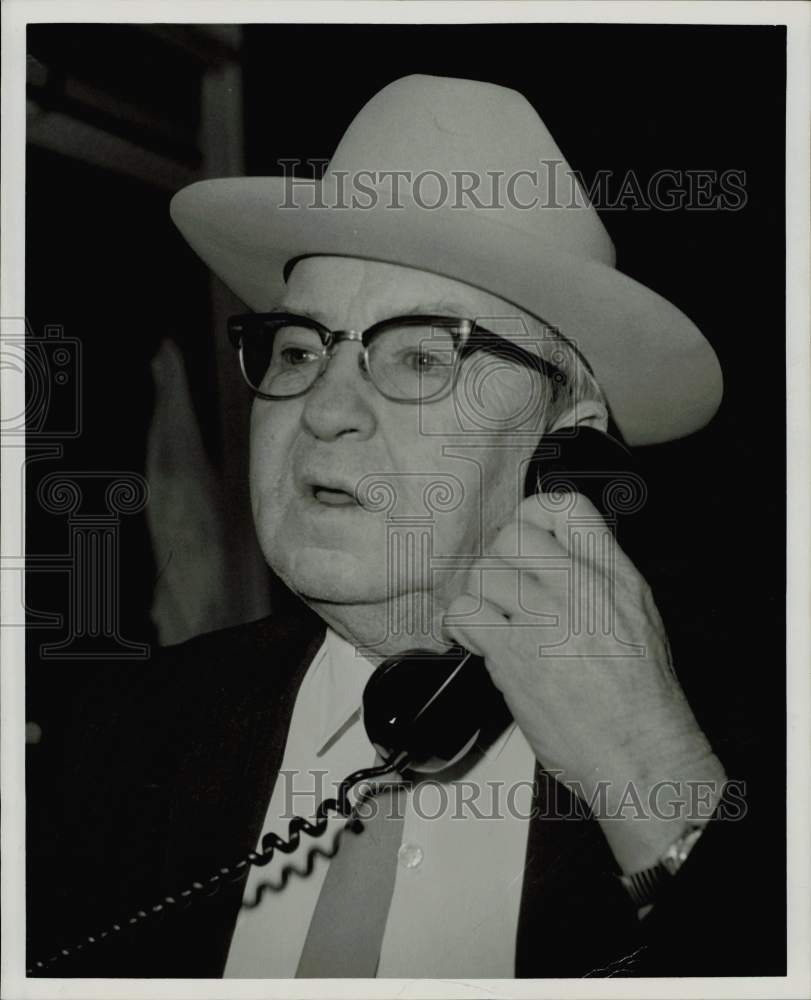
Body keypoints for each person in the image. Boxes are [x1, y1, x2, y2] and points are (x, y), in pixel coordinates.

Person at [27, 75, 777, 980]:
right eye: (300, 349)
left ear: (565, 455)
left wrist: (655, 784)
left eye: (422, 355)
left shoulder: (748, 752)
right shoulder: (116, 737)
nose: (325, 408)